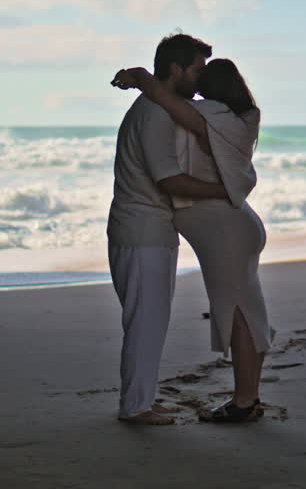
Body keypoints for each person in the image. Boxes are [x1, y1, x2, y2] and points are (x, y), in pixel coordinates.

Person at [111, 58, 272, 423]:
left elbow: (170, 104)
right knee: (248, 310)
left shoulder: (211, 115)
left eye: (201, 79)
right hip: (235, 225)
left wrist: (142, 77)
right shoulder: (242, 116)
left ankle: (244, 401)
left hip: (224, 231)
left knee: (237, 312)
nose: (195, 88)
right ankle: (248, 399)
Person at [106, 33, 229, 426]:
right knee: (145, 322)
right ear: (176, 69)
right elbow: (169, 179)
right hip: (142, 231)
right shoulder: (156, 113)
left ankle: (142, 400)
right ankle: (135, 407)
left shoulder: (155, 106)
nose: (201, 78)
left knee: (150, 320)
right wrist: (224, 190)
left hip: (144, 229)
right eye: (197, 69)